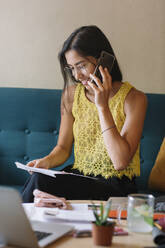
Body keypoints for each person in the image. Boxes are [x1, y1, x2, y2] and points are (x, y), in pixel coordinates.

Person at [22, 25, 147, 203]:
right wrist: (46, 162)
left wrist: (102, 106)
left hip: (115, 186)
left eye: (81, 66)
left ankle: (15, 228)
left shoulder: (134, 99)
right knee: (40, 183)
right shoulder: (71, 95)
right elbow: (63, 148)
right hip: (80, 177)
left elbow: (120, 161)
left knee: (41, 183)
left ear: (104, 60)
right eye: (71, 68)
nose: (77, 76)